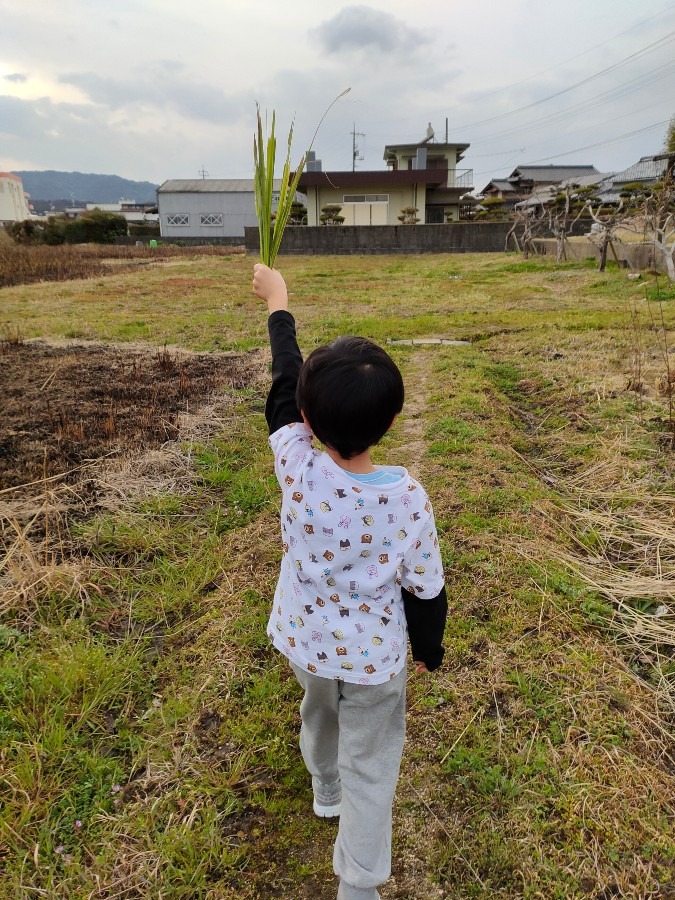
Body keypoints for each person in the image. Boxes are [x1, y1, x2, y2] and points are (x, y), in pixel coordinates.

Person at [252, 263, 447, 900]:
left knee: (318, 708)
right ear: (391, 423)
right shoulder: (409, 500)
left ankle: (322, 787)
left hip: (307, 642)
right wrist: (429, 650)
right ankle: (358, 885)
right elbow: (426, 590)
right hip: (375, 663)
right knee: (374, 770)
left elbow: (284, 384)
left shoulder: (296, 466)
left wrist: (279, 305)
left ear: (306, 420)